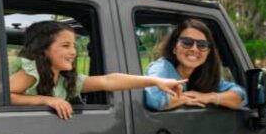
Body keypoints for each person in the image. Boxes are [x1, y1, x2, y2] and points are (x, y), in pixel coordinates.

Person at [10, 21, 186, 119]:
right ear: (43, 49)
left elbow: (108, 81)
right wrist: (47, 100)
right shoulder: (30, 72)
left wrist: (155, 81)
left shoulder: (65, 80)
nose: (73, 52)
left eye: (73, 46)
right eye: (65, 46)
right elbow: (4, 96)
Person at [143, 19, 247, 111]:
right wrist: (185, 98)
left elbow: (241, 95)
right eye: (187, 42)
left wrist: (210, 97)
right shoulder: (161, 67)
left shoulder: (204, 75)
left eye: (202, 45)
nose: (194, 49)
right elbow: (154, 99)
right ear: (174, 48)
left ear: (208, 52)